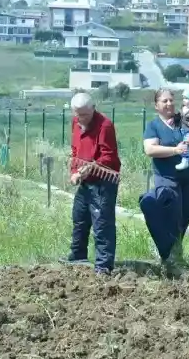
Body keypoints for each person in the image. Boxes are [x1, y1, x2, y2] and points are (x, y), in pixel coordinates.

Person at [62, 92, 121, 275]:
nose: (81, 118)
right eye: (78, 114)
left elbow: (109, 156)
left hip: (104, 181)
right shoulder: (75, 123)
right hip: (85, 179)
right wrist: (74, 172)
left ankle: (104, 265)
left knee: (102, 222)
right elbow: (75, 150)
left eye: (85, 115)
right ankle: (78, 255)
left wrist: (91, 167)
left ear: (93, 109)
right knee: (79, 217)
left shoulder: (105, 126)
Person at [143, 88, 189, 266]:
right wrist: (175, 150)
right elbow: (150, 149)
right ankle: (165, 251)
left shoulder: (181, 120)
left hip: (188, 179)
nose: (169, 104)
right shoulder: (154, 126)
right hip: (166, 178)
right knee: (170, 215)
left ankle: (175, 253)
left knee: (184, 217)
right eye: (164, 101)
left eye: (171, 100)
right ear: (156, 106)